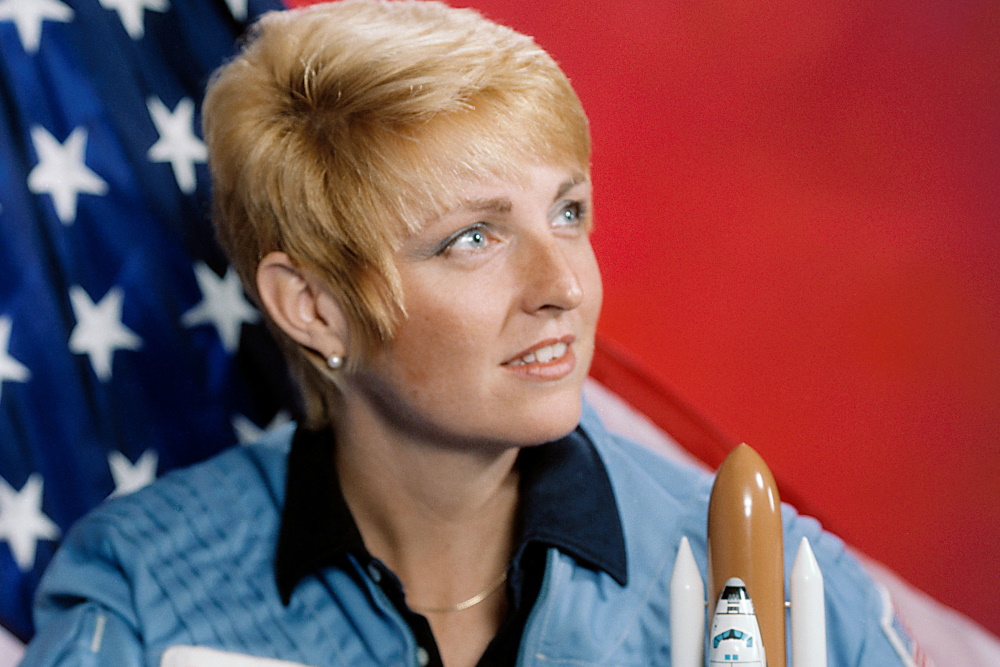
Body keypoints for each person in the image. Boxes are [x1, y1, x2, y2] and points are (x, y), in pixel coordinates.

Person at [19, 2, 917, 666]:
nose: (565, 286)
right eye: (474, 239)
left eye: (568, 212)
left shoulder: (782, 590)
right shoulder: (142, 596)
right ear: (313, 305)